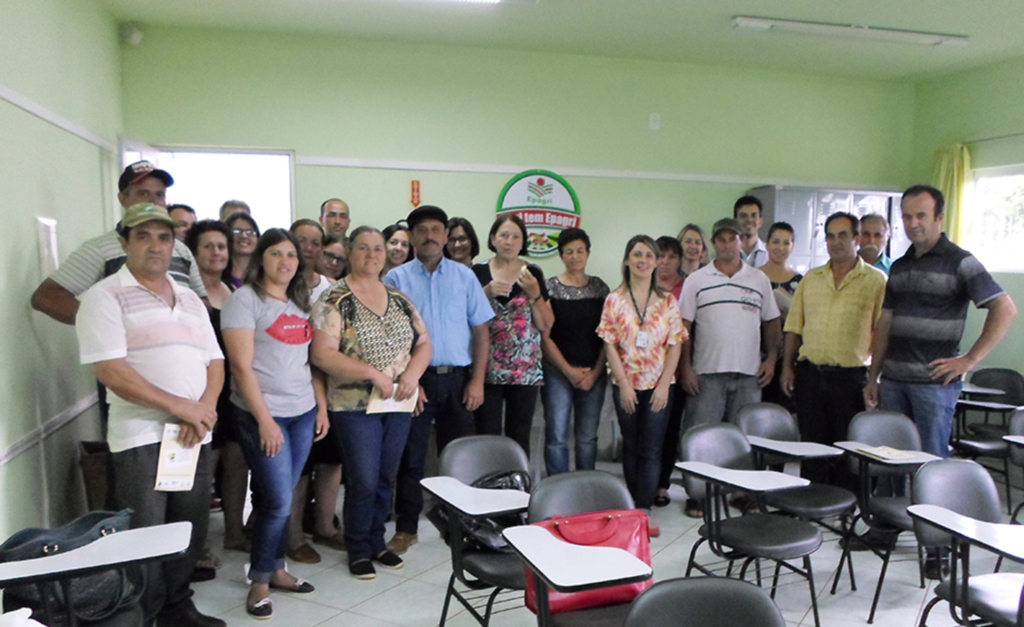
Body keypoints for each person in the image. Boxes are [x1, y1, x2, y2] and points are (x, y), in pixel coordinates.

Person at [75, 203, 224, 627]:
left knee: (188, 528)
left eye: (163, 237)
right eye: (142, 236)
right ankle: (143, 616)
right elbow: (113, 373)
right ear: (124, 243)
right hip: (142, 436)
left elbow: (215, 361)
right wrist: (182, 408)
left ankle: (177, 607)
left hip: (192, 435)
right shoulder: (103, 298)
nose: (155, 246)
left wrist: (204, 411)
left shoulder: (191, 300)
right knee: (146, 535)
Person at [311, 226, 431, 580]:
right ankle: (359, 547)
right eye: (363, 248)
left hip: (397, 403)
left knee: (385, 476)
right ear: (350, 251)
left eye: (378, 248)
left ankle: (378, 541)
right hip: (354, 406)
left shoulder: (398, 297)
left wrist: (413, 374)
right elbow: (321, 354)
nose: (372, 254)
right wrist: (370, 373)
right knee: (363, 478)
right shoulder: (335, 299)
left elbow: (424, 342)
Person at [222, 228, 329, 619]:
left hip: (301, 412)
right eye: (276, 254)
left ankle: (278, 570)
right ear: (261, 259)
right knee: (279, 501)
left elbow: (310, 362)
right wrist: (266, 422)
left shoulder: (301, 301)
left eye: (291, 255)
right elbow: (240, 366)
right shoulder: (244, 301)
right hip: (260, 415)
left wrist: (320, 406)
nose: (285, 261)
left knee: (280, 498)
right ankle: (260, 583)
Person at [865, 185, 1017, 457]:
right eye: (907, 217)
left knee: (931, 462)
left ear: (939, 217)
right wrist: (873, 376)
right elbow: (885, 325)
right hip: (893, 382)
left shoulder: (961, 262)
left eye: (921, 216)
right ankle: (894, 502)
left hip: (934, 386)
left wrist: (969, 360)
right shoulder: (899, 267)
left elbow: (1005, 309)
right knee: (887, 461)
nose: (913, 224)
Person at [384, 205, 494, 555]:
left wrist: (477, 380)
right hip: (416, 382)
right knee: (411, 456)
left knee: (457, 457)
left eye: (436, 229)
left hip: (458, 380)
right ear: (412, 236)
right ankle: (406, 527)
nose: (430, 235)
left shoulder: (465, 278)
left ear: (446, 235)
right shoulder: (397, 280)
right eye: (422, 229)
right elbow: (391, 338)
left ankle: (458, 523)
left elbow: (481, 331)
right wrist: (408, 380)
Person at [678, 218, 780, 517]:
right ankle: (697, 494)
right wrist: (685, 367)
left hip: (749, 375)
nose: (727, 244)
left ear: (741, 241)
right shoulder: (697, 280)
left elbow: (772, 321)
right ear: (713, 243)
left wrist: (771, 358)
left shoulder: (758, 279)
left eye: (732, 239)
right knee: (698, 435)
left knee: (745, 438)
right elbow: (683, 327)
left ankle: (742, 493)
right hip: (706, 373)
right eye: (720, 239)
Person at [778, 212, 886, 485]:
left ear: (857, 239)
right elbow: (794, 327)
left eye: (843, 235)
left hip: (851, 379)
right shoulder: (811, 279)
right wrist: (787, 368)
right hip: (811, 376)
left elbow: (883, 335)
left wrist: (874, 378)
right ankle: (812, 503)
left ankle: (844, 508)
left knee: (846, 447)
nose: (836, 242)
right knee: (812, 445)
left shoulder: (876, 281)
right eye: (830, 236)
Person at [31, 161, 207, 326]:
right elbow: (46, 297)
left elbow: (201, 301)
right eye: (143, 193)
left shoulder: (181, 250)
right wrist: (104, 323)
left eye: (159, 195)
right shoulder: (101, 248)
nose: (153, 202)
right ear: (123, 199)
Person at [597, 235, 685, 536]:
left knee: (651, 448)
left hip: (660, 386)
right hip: (627, 385)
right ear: (626, 260)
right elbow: (609, 344)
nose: (643, 260)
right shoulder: (614, 299)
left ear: (657, 261)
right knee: (632, 446)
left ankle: (644, 510)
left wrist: (663, 386)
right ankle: (631, 506)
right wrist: (623, 384)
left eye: (649, 254)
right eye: (637, 254)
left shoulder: (668, 300)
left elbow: (675, 345)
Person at [184, 221, 249, 559]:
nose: (216, 253)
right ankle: (198, 547)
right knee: (203, 469)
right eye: (208, 246)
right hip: (200, 392)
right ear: (193, 253)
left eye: (221, 246)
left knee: (237, 464)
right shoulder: (185, 296)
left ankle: (235, 533)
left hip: (233, 391)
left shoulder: (235, 294)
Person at [472, 215, 554, 456]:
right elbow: (464, 317)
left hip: (524, 369)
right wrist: (484, 293)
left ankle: (517, 490)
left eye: (516, 236)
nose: (509, 241)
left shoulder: (532, 273)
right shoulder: (477, 272)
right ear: (493, 239)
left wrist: (535, 294)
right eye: (504, 235)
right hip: (486, 368)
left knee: (519, 435)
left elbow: (546, 324)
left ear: (523, 242)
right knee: (487, 434)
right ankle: (487, 489)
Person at [285, 219, 342, 564]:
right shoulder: (280, 287)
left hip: (332, 386)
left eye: (315, 242)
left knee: (332, 459)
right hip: (294, 388)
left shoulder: (332, 288)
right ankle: (293, 536)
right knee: (300, 466)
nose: (308, 248)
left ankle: (325, 526)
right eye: (300, 241)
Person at [540, 228, 610, 476]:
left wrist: (595, 372)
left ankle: (586, 485)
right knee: (557, 434)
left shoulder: (600, 288)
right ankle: (558, 488)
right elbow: (545, 335)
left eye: (580, 250)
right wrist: (568, 372)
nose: (575, 256)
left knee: (587, 437)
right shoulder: (549, 288)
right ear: (561, 256)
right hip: (558, 372)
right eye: (569, 251)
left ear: (588, 254)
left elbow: (608, 335)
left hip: (595, 371)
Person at [759, 222, 804, 410]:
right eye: (776, 242)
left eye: (787, 243)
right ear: (767, 244)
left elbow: (805, 321)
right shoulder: (754, 277)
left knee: (784, 412)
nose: (781, 247)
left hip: (788, 357)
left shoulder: (801, 282)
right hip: (757, 357)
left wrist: (787, 317)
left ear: (793, 246)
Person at [224, 212, 260, 290]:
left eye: (250, 232)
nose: (244, 236)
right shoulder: (219, 274)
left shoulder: (264, 275)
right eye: (237, 231)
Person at [734, 195, 769, 267]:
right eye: (743, 216)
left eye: (754, 215)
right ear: (735, 221)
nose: (749, 220)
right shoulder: (725, 253)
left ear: (760, 221)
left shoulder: (770, 254)